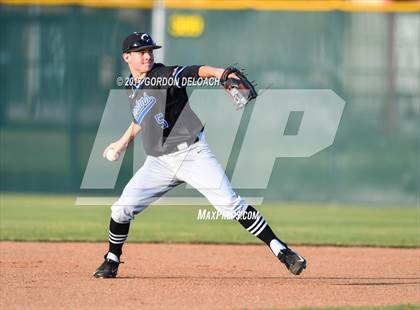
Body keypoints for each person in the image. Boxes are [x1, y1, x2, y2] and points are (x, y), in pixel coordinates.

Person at [93, 32, 306, 278]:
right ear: (127, 57)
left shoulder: (162, 75)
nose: (148, 55)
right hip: (159, 162)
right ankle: (111, 260)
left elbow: (193, 71)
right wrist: (121, 143)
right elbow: (141, 117)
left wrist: (219, 74)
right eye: (142, 52)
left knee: (231, 205)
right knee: (121, 209)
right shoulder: (132, 84)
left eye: (150, 51)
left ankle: (283, 251)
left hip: (192, 154)